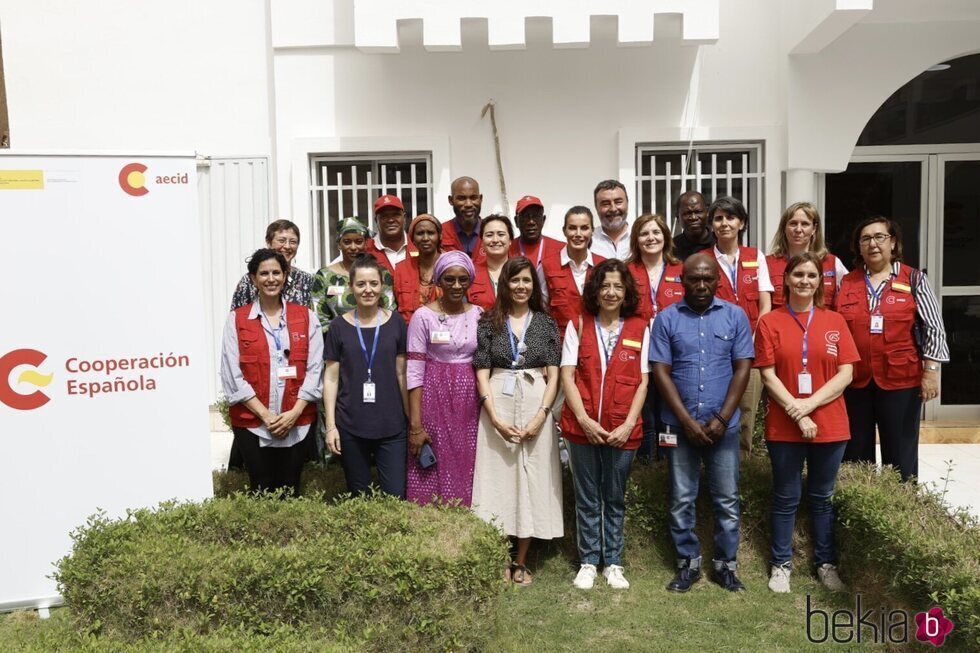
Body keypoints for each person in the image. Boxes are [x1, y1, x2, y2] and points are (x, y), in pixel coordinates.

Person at [755, 252, 860, 593]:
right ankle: (781, 565)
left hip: (830, 423)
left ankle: (825, 564)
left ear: (820, 281)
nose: (804, 280)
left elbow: (846, 372)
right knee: (786, 497)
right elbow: (768, 376)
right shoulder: (770, 322)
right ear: (785, 279)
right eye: (798, 274)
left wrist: (810, 406)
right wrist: (798, 413)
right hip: (784, 426)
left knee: (821, 498)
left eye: (811, 275)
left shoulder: (835, 321)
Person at [650, 253, 753, 593]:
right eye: (694, 279)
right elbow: (661, 373)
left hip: (723, 428)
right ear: (682, 281)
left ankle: (725, 566)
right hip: (678, 428)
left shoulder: (735, 316)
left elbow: (743, 369)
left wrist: (722, 418)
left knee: (727, 499)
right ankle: (688, 564)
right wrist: (686, 422)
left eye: (708, 278)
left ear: (718, 281)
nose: (701, 285)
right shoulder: (666, 319)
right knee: (681, 497)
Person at [836, 217, 949, 482]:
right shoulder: (847, 283)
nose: (872, 244)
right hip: (855, 383)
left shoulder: (914, 279)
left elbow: (934, 327)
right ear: (858, 247)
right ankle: (860, 511)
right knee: (855, 454)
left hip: (901, 381)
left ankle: (901, 510)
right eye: (865, 239)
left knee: (900, 454)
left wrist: (931, 372)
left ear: (893, 242)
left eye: (879, 237)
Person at [472, 257, 563, 586]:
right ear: (505, 285)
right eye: (515, 281)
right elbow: (481, 372)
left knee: (531, 478)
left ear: (533, 285)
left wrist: (542, 415)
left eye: (527, 280)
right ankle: (498, 556)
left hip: (536, 400)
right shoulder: (488, 322)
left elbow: (554, 375)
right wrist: (494, 417)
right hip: (498, 400)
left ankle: (521, 560)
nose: (521, 286)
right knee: (498, 479)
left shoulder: (546, 322)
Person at [560, 259, 649, 591]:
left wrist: (628, 424)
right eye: (605, 286)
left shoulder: (640, 328)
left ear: (626, 292)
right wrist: (583, 419)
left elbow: (643, 383)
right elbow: (567, 376)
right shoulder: (579, 325)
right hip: (581, 428)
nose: (611, 292)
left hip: (621, 430)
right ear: (595, 291)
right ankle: (588, 560)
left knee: (614, 496)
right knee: (587, 496)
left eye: (618, 286)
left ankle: (613, 562)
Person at [220, 248, 323, 496]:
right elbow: (232, 376)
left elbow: (315, 369)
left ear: (285, 275)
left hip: (297, 421)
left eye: (276, 272)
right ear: (253, 278)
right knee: (260, 490)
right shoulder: (237, 320)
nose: (271, 278)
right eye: (263, 273)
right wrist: (267, 417)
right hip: (253, 424)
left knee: (291, 490)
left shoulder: (306, 317)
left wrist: (293, 414)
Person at [323, 255, 409, 498]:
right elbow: (330, 379)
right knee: (359, 498)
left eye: (373, 283)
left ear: (382, 285)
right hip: (351, 425)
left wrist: (411, 420)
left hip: (392, 425)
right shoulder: (339, 326)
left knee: (395, 497)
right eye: (361, 284)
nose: (368, 290)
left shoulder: (396, 323)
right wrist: (331, 427)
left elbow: (402, 372)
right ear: (351, 287)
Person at [406, 251, 483, 505]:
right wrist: (416, 426)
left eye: (463, 279)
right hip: (434, 397)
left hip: (470, 401)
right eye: (449, 279)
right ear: (438, 280)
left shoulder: (480, 315)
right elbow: (414, 371)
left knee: (468, 458)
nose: (457, 286)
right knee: (433, 462)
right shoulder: (422, 316)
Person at [708, 195, 773, 457]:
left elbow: (766, 305)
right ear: (712, 225)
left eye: (730, 217)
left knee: (747, 415)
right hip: (716, 355)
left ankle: (741, 473)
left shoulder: (755, 257)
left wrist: (751, 339)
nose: (724, 223)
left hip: (751, 354)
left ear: (742, 223)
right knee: (715, 411)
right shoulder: (702, 260)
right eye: (718, 218)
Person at [626, 213, 684, 458]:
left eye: (656, 232)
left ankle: (668, 460)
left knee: (668, 407)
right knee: (644, 408)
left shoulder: (681, 269)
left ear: (665, 236)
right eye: (644, 233)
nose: (651, 238)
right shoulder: (626, 271)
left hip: (673, 353)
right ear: (636, 240)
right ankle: (646, 462)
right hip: (637, 351)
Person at [311, 217, 396, 334]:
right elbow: (318, 317)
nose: (353, 247)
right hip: (336, 342)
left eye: (358, 241)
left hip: (376, 338)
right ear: (339, 244)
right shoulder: (324, 276)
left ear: (366, 243)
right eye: (347, 242)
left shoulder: (381, 273)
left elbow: (389, 310)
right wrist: (346, 337)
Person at [539, 206, 606, 338]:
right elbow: (540, 310)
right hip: (558, 345)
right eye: (572, 228)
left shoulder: (603, 266)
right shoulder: (547, 266)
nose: (578, 234)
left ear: (592, 230)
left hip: (596, 343)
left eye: (584, 228)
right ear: (564, 231)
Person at [766, 202, 848, 309]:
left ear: (814, 229)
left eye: (805, 224)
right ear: (784, 228)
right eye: (793, 223)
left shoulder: (832, 263)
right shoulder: (768, 264)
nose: (798, 230)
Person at [230, 219, 315, 310]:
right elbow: (237, 317)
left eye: (293, 242)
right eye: (281, 241)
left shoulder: (306, 280)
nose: (287, 246)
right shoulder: (249, 281)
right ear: (268, 242)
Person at [393, 214, 442, 324]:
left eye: (430, 233)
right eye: (420, 233)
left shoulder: (451, 264)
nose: (425, 238)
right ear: (412, 239)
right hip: (410, 333)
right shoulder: (401, 269)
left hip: (446, 332)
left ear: (439, 236)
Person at [468, 214, 514, 311]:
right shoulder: (470, 272)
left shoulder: (521, 270)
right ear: (482, 242)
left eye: (501, 234)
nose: (495, 240)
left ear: (510, 240)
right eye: (489, 235)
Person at [508, 195, 564, 267]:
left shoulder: (561, 250)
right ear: (516, 221)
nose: (531, 222)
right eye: (525, 216)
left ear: (543, 220)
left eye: (536, 216)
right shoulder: (507, 250)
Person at [366, 194, 414, 277]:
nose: (391, 220)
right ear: (376, 220)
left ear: (404, 217)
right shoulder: (365, 250)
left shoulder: (417, 246)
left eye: (396, 215)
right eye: (384, 216)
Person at [442, 176, 485, 261]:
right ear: (451, 200)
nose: (468, 204)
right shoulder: (441, 232)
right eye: (461, 198)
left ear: (480, 199)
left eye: (473, 198)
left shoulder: (493, 233)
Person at [590, 179, 632, 260]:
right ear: (596, 207)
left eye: (618, 202)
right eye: (605, 203)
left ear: (627, 203)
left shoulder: (639, 237)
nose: (613, 209)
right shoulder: (589, 240)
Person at [671, 191, 716, 261]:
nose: (693, 217)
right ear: (677, 217)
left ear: (707, 213)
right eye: (687, 213)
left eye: (698, 212)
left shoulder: (720, 243)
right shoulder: (671, 248)